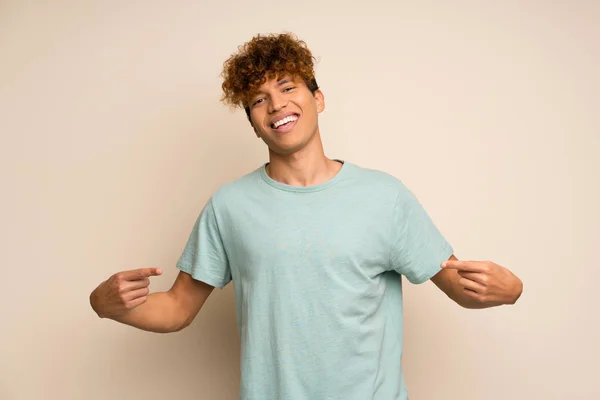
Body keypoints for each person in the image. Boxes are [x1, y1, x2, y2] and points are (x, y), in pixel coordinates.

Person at [89, 32, 523, 400]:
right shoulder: (229, 206)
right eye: (259, 99)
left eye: (287, 88)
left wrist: (509, 289)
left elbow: (456, 284)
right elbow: (178, 308)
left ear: (318, 99)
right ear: (254, 123)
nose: (276, 105)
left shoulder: (384, 196)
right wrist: (108, 306)